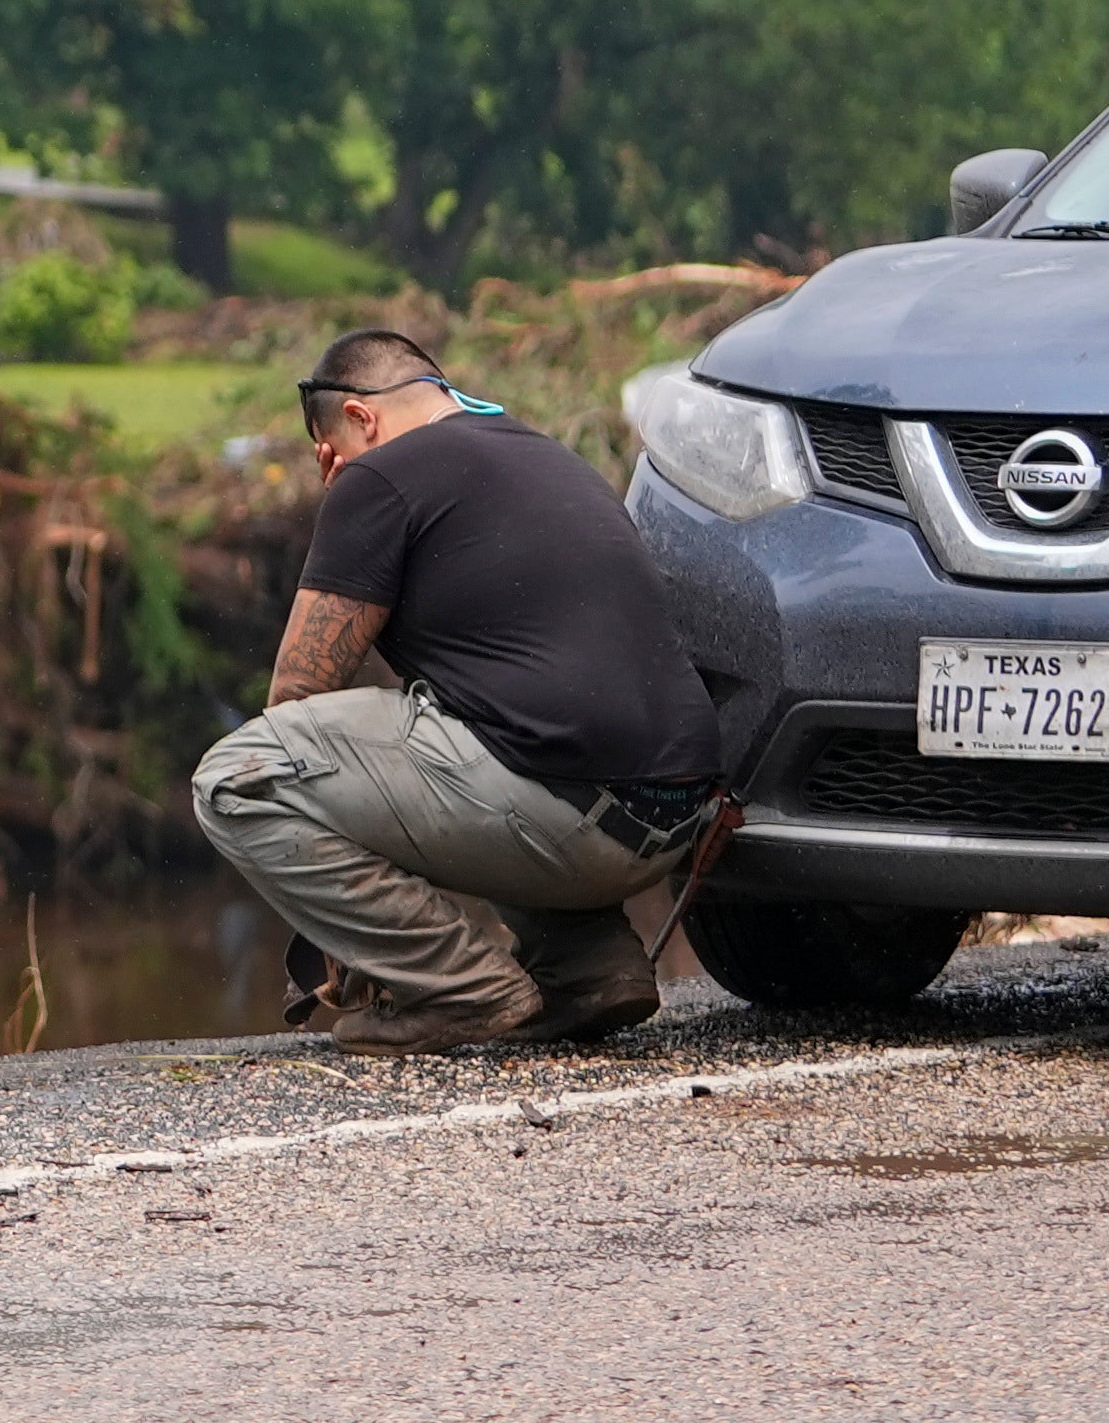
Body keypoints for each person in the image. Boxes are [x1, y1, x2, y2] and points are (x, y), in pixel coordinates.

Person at [192, 328, 728, 1055]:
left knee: (236, 777)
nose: (337, 474)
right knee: (481, 714)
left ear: (361, 417)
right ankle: (591, 967)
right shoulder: (545, 456)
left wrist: (348, 921)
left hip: (566, 815)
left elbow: (297, 693)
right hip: (673, 816)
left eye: (334, 455)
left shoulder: (380, 475)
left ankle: (460, 987)